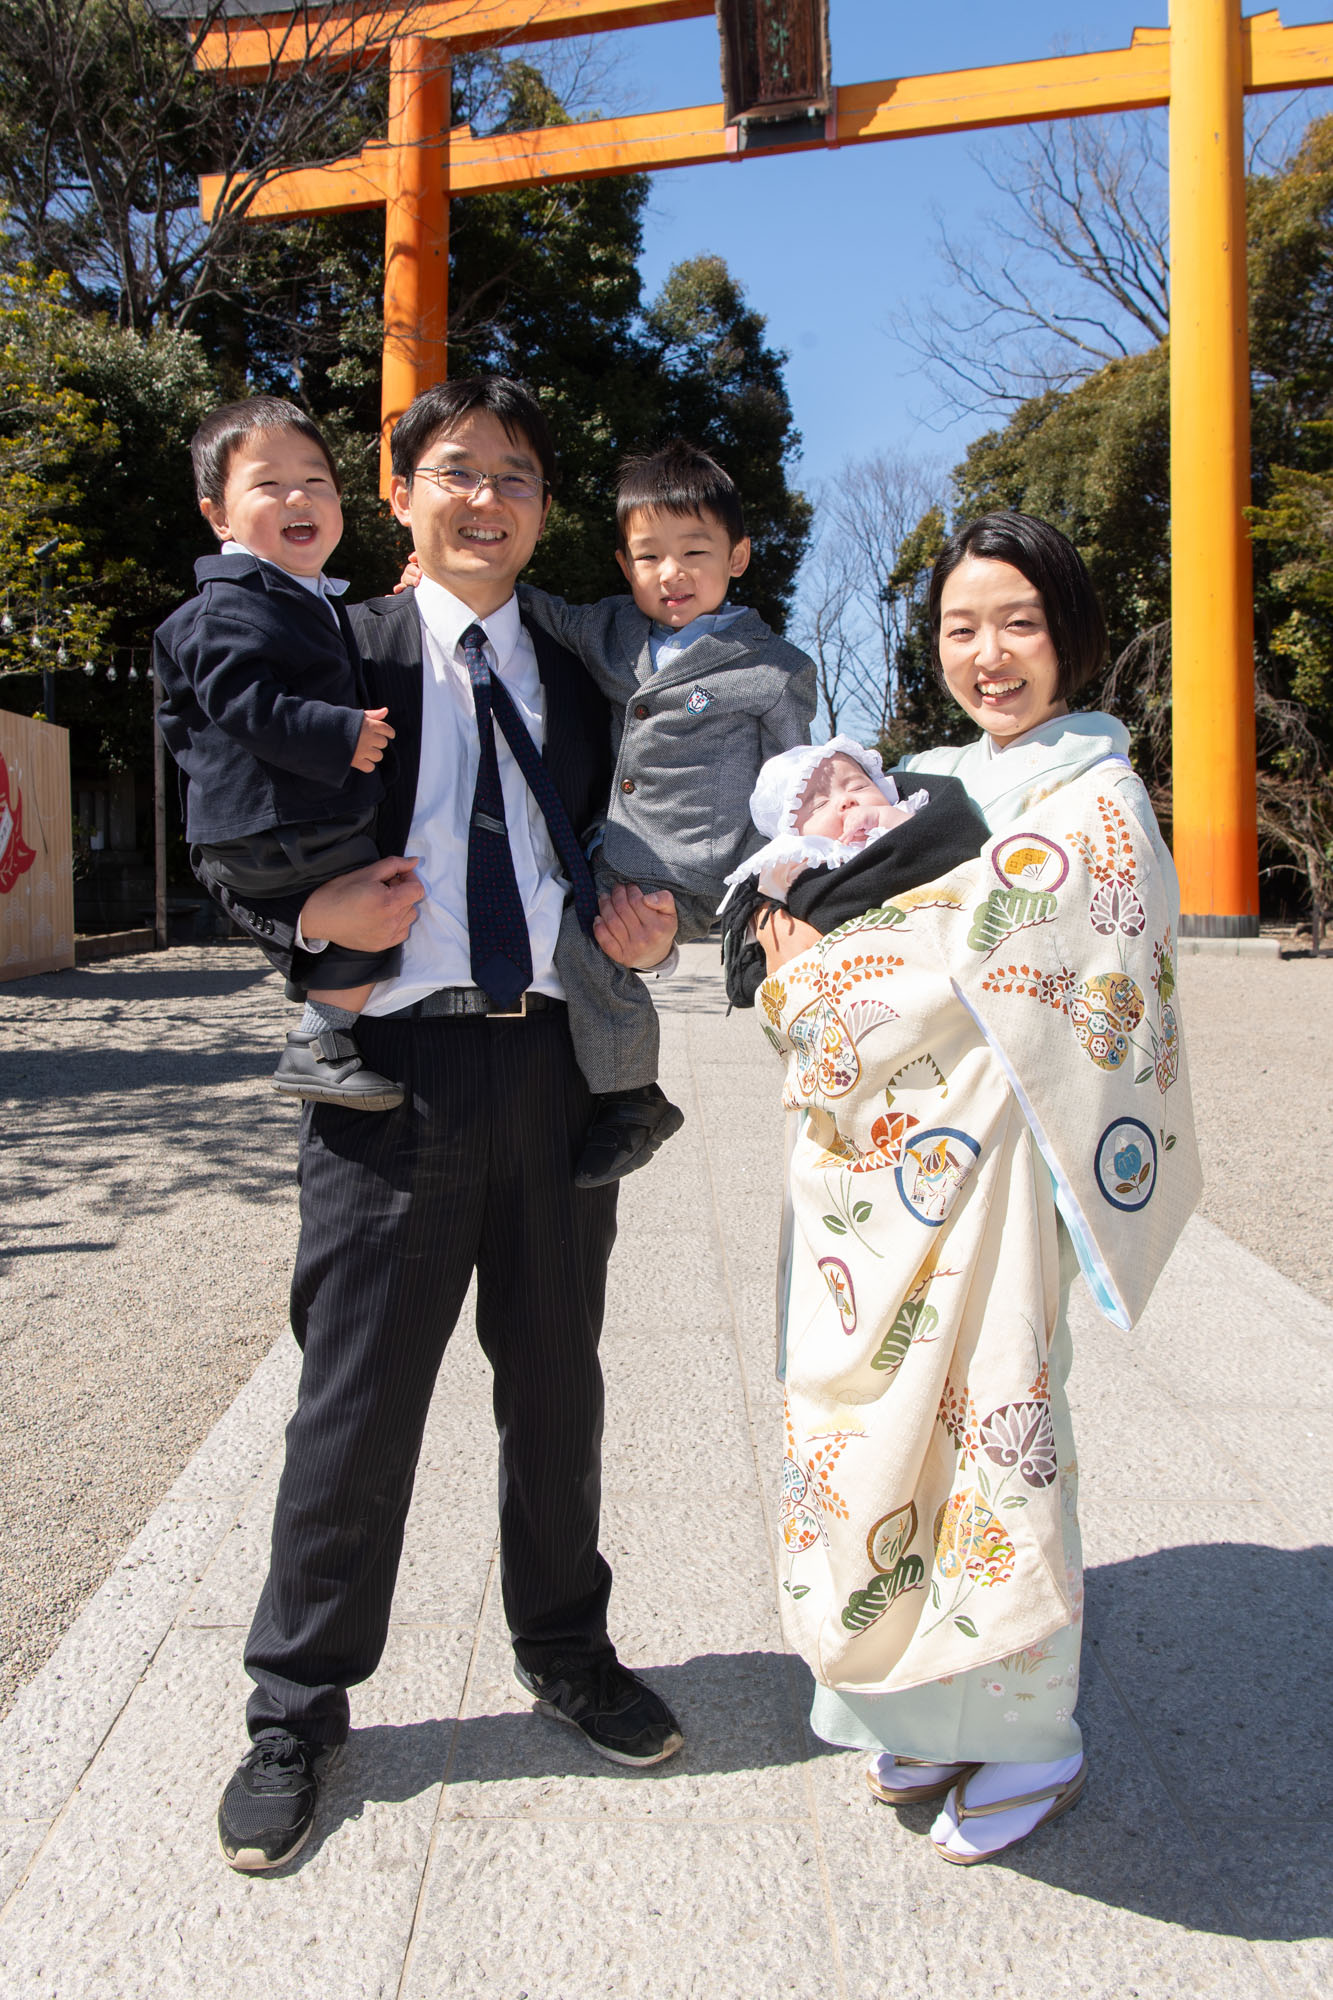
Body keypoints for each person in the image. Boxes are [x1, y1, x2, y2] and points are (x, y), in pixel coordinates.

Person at [213, 377, 686, 1875]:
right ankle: (296, 1708)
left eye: (520, 478)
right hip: (391, 1081)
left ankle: (565, 1645)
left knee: (556, 1387)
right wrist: (302, 923)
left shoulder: (579, 659)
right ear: (401, 489)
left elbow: (639, 840)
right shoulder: (329, 644)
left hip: (552, 1068)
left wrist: (653, 927)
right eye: (458, 471)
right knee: (354, 1403)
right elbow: (221, 806)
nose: (489, 499)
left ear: (546, 513)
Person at [758, 512, 1201, 1864]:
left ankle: (1029, 1731)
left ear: (1068, 629)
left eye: (1018, 622)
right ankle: (920, 1696)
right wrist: (795, 942)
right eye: (961, 628)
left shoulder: (1093, 802)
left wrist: (809, 971)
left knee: (993, 1422)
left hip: (1002, 1171)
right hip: (875, 1182)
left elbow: (971, 964)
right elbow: (809, 918)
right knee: (877, 1431)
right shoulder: (913, 782)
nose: (989, 654)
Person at [401, 440, 818, 1185]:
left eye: (695, 551)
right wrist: (439, 581)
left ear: (739, 555)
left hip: (705, 871)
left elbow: (794, 782)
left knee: (584, 940)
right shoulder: (614, 631)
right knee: (566, 933)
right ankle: (629, 1095)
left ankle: (631, 1096)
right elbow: (538, 609)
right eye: (649, 556)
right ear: (625, 567)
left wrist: (780, 890)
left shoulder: (772, 667)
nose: (672, 574)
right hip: (614, 857)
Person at [153, 397, 405, 1112]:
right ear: (219, 517)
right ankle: (316, 1040)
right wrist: (337, 733)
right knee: (390, 900)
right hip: (276, 823)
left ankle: (318, 1029)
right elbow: (241, 703)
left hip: (290, 823)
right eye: (268, 483)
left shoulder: (302, 596)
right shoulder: (225, 603)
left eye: (316, 480)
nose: (298, 495)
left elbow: (336, 664)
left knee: (384, 901)